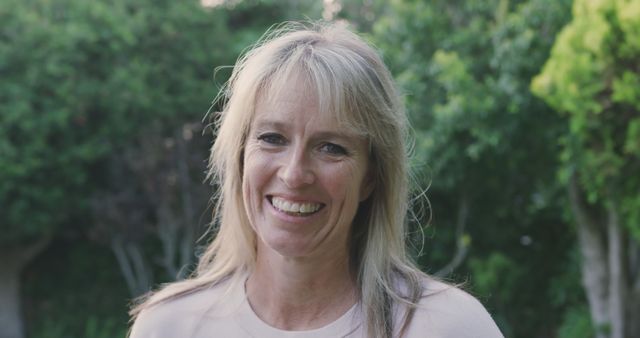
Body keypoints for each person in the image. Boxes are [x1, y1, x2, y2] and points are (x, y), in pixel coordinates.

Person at [129, 21, 504, 338]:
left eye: (331, 148)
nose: (294, 174)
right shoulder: (168, 327)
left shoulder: (449, 327)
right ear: (240, 156)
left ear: (371, 177)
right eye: (272, 138)